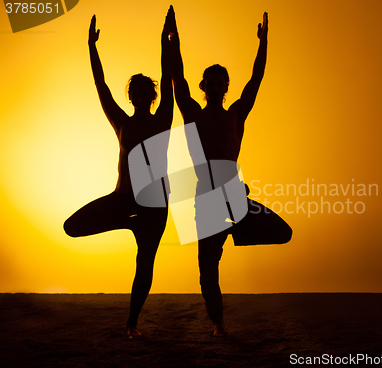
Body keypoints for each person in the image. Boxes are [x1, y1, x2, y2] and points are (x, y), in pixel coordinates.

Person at [168, 7, 292, 337]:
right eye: (212, 81)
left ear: (226, 87)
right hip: (206, 197)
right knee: (207, 268)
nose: (218, 85)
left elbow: (256, 79)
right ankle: (218, 324)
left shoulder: (236, 113)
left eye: (223, 82)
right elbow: (177, 79)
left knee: (283, 232)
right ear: (204, 85)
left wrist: (263, 42)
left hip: (234, 196)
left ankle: (235, 231)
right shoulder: (193, 113)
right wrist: (173, 42)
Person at [63, 12, 173, 338]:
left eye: (145, 91)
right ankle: (127, 221)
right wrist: (91, 47)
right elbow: (101, 85)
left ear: (152, 97)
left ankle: (131, 325)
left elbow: (167, 75)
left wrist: (165, 38)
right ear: (131, 96)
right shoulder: (122, 122)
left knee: (145, 264)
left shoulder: (163, 118)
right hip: (123, 198)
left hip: (155, 204)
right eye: (135, 91)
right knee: (73, 226)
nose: (141, 95)